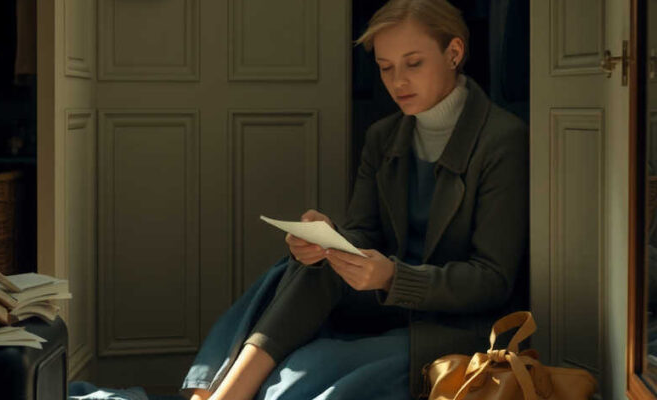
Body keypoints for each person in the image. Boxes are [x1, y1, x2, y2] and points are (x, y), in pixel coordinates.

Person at [185, 0, 529, 398]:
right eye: (385, 67)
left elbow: (492, 280)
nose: (398, 81)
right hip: (385, 302)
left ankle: (221, 391)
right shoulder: (383, 136)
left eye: (413, 63)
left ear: (454, 53)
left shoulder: (502, 140)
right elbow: (364, 232)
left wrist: (393, 277)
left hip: (453, 322)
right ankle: (223, 394)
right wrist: (330, 240)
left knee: (304, 376)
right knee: (305, 267)